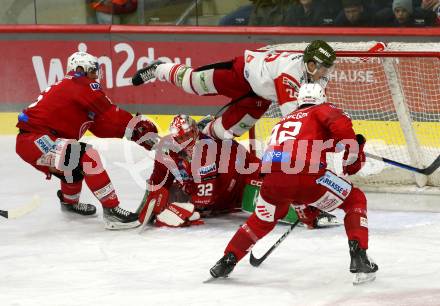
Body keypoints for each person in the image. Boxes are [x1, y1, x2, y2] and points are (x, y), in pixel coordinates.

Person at [209, 83, 379, 285]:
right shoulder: (322, 109)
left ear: (299, 101)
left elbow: (324, 144)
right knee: (354, 199)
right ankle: (359, 256)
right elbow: (340, 128)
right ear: (321, 98)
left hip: (273, 180)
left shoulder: (283, 121)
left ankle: (228, 259)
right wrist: (354, 148)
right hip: (306, 175)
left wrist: (352, 145)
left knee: (261, 220)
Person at [15, 51, 158, 230]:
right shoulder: (79, 83)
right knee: (87, 156)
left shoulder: (72, 89)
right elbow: (110, 114)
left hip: (31, 142)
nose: (95, 76)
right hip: (37, 140)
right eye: (92, 71)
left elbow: (101, 126)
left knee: (72, 162)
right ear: (80, 69)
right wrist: (135, 125)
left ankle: (69, 203)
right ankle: (112, 212)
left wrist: (132, 134)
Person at [137, 114, 339, 228]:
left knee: (272, 181)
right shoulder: (167, 150)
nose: (186, 142)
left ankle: (312, 205)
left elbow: (207, 200)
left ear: (197, 132)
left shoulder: (210, 149)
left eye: (190, 135)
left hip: (240, 177)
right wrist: (154, 204)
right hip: (223, 195)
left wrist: (185, 207)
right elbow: (157, 181)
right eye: (181, 138)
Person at [131, 40, 336, 141]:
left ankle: (203, 132)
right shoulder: (289, 75)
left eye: (326, 67)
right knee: (192, 83)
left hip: (259, 97)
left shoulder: (319, 74)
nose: (322, 72)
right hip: (239, 74)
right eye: (318, 66)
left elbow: (315, 108)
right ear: (308, 62)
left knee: (226, 132)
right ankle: (158, 69)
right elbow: (294, 118)